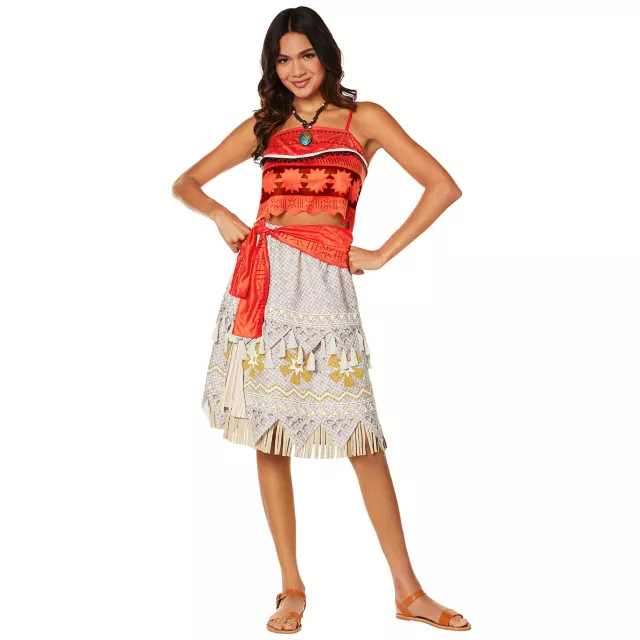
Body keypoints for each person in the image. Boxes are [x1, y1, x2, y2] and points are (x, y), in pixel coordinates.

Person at [172, 6, 469, 635]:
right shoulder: (265, 125)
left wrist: (382, 253)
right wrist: (222, 215)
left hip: (327, 285)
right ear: (272, 67)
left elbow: (442, 186)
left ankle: (408, 591)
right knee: (270, 433)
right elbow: (187, 182)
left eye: (305, 55)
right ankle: (291, 586)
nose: (296, 69)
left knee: (362, 435)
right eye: (283, 59)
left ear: (327, 56)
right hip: (263, 282)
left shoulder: (365, 119)